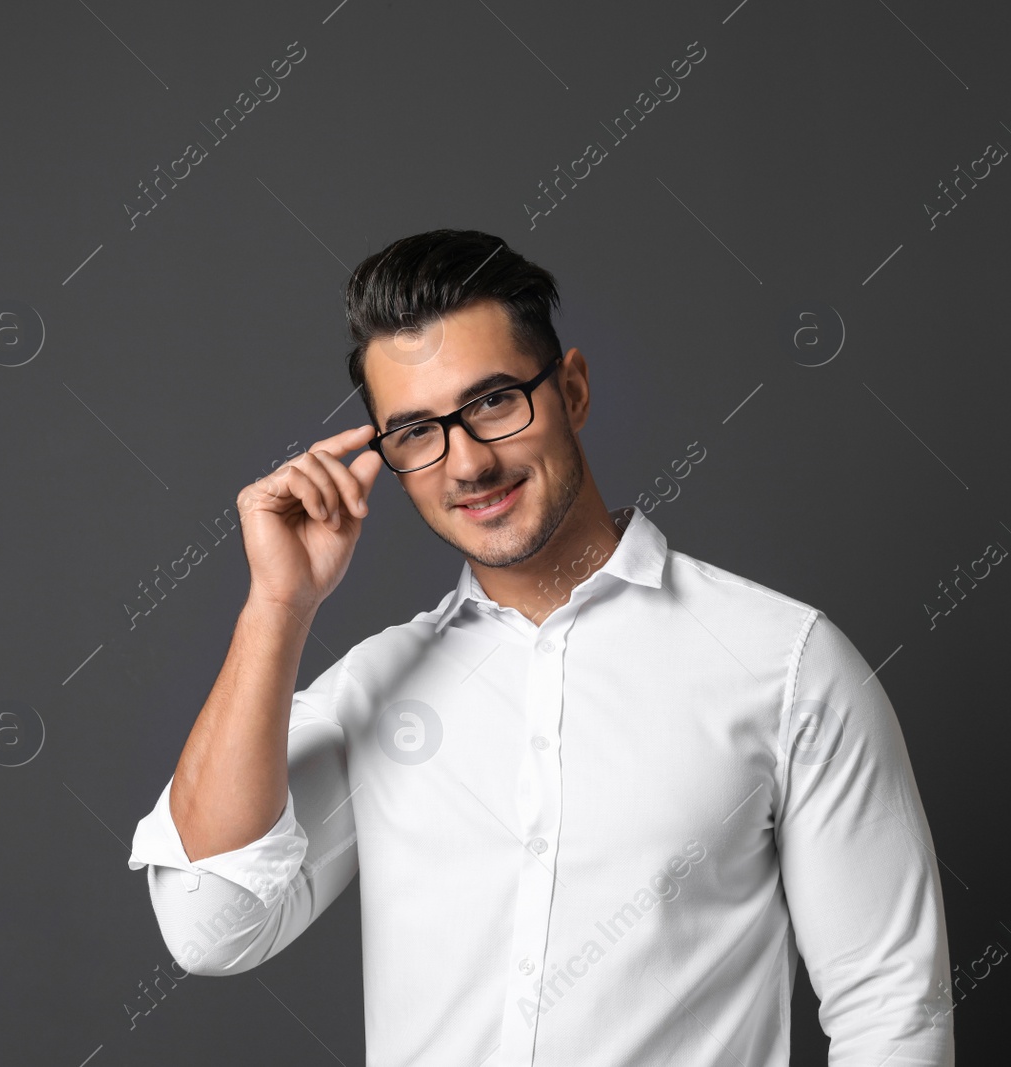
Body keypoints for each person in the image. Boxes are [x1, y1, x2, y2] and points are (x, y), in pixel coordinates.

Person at [125, 228, 953, 1066]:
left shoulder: (784, 664)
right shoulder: (379, 690)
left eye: (492, 402)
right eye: (416, 432)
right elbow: (209, 927)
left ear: (574, 389)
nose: (468, 464)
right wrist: (278, 604)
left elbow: (892, 1011)